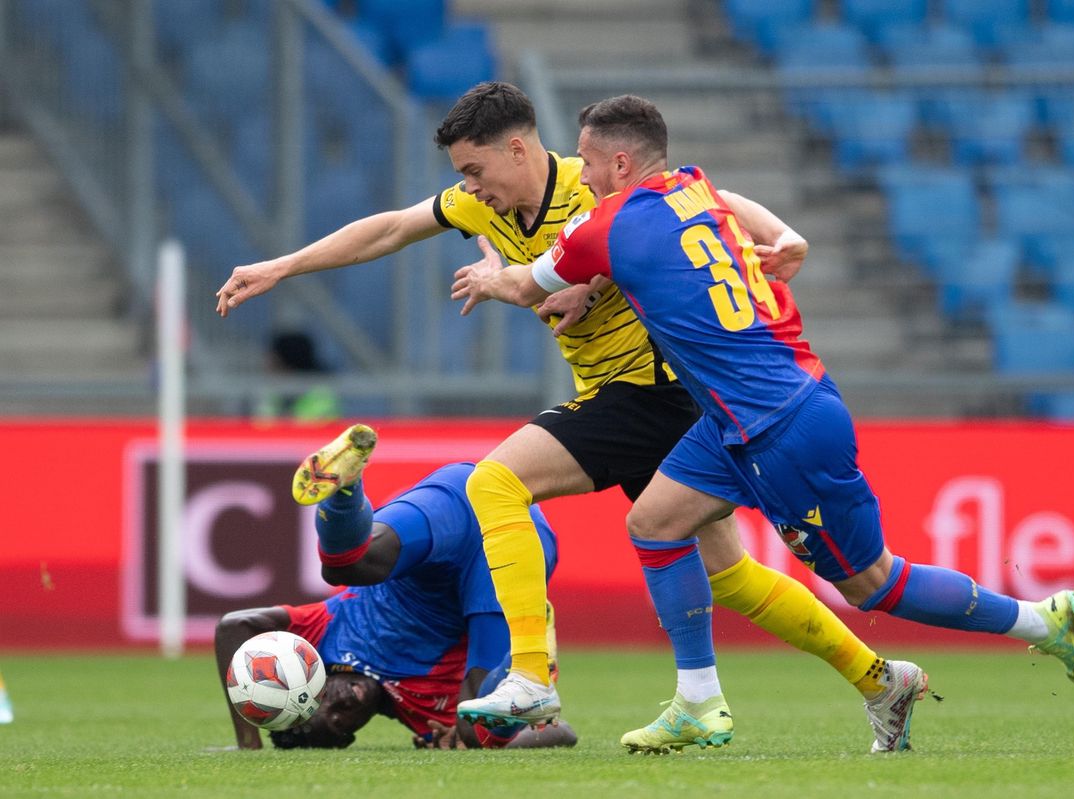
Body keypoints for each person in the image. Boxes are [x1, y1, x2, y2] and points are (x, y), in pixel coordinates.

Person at [216, 82, 927, 755]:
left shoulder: (587, 184)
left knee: (494, 483)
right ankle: (879, 678)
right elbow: (391, 229)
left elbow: (701, 200)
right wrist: (281, 266)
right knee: (731, 575)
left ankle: (530, 680)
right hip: (651, 403)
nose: (469, 186)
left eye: (474, 168)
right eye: (461, 174)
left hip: (649, 390)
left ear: (519, 150)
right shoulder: (481, 210)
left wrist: (772, 234)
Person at [452, 94, 1074, 749]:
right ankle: (698, 701)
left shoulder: (606, 224)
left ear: (620, 162)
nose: (581, 176)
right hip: (735, 416)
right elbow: (730, 212)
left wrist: (491, 274)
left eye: (588, 162)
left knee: (873, 582)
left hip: (779, 424)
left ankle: (1042, 621)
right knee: (653, 523)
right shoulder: (696, 190)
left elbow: (527, 287)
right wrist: (787, 238)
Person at [215, 425, 575, 750]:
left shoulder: (323, 634)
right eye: (341, 727)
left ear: (309, 684)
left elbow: (235, 626)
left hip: (461, 500)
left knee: (345, 564)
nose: (342, 708)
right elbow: (564, 733)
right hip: (500, 562)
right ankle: (533, 646)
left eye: (322, 704)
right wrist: (466, 737)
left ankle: (346, 485)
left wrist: (248, 744)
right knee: (477, 730)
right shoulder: (420, 710)